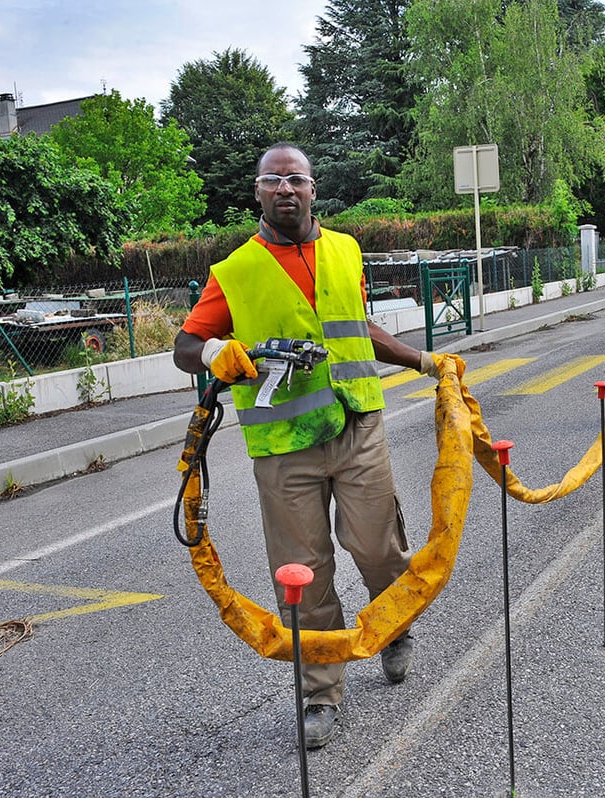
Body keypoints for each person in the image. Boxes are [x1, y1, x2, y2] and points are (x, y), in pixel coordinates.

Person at [173, 143, 441, 750]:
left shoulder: (346, 251)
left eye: (296, 179)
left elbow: (358, 328)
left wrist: (423, 360)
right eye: (274, 180)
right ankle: (320, 689)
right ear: (258, 193)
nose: (285, 189)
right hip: (283, 444)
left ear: (313, 189)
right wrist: (215, 352)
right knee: (304, 573)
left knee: (377, 544)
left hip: (357, 425)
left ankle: (393, 630)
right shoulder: (234, 273)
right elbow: (184, 348)